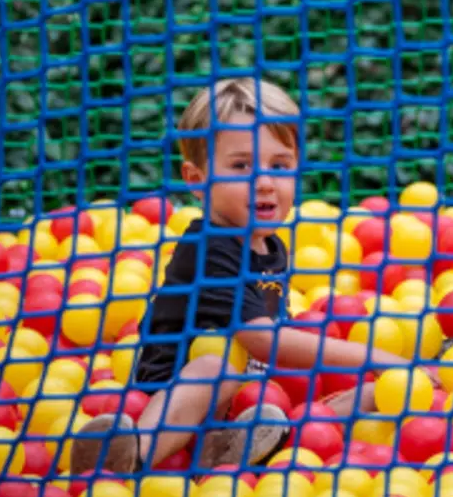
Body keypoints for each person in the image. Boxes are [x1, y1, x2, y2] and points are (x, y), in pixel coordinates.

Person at [71, 77, 434, 475]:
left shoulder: (271, 246)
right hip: (178, 393)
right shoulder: (211, 246)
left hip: (256, 395)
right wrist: (379, 358)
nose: (264, 181)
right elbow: (263, 339)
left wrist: (389, 375)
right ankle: (135, 454)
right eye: (242, 165)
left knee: (370, 394)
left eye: (279, 166)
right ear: (197, 179)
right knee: (216, 367)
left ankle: (256, 444)